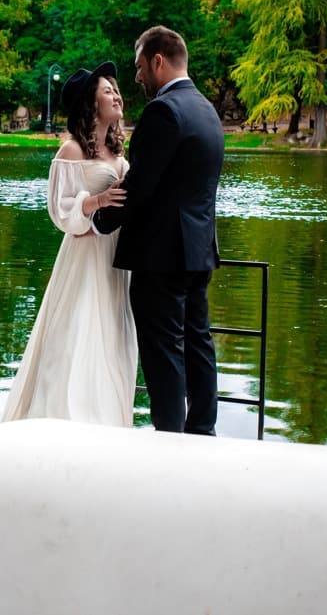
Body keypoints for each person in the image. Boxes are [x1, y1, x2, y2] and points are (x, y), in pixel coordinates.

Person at [93, 26, 224, 435]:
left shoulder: (164, 111)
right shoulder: (205, 109)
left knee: (164, 351)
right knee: (197, 342)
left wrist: (98, 219)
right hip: (198, 251)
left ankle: (170, 439)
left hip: (161, 256)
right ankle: (202, 430)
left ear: (157, 61)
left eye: (138, 68)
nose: (135, 79)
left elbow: (140, 187)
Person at [1, 62, 137, 426]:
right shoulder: (71, 151)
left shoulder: (119, 153)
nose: (117, 95)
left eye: (115, 89)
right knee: (79, 333)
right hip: (85, 256)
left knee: (111, 337)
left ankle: (109, 421)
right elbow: (60, 214)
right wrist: (97, 201)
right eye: (107, 91)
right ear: (90, 104)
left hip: (115, 258)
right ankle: (68, 419)